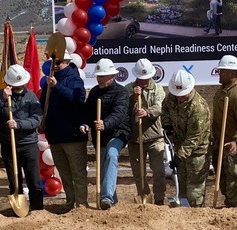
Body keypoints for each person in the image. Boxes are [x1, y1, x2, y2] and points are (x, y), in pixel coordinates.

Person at [0, 64, 44, 212]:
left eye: (21, 84)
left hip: (28, 143)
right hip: (9, 144)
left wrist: (19, 124)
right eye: (16, 84)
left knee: (34, 179)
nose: (19, 86)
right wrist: (2, 100)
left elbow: (37, 118)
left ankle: (37, 209)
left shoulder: (31, 96)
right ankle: (18, 209)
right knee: (14, 181)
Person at [40, 52, 89, 210]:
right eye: (53, 63)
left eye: (58, 62)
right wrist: (42, 122)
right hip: (55, 136)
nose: (55, 65)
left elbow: (77, 100)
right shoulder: (49, 82)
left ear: (66, 62)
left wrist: (57, 87)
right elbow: (43, 105)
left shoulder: (74, 79)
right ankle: (70, 202)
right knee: (65, 173)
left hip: (72, 134)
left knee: (78, 173)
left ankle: (81, 204)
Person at [84, 58, 130, 209]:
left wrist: (106, 123)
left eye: (103, 77)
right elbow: (88, 113)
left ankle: (106, 197)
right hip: (100, 135)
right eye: (98, 76)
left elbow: (120, 113)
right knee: (103, 166)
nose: (99, 80)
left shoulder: (121, 92)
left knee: (111, 154)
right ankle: (111, 200)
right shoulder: (94, 93)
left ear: (112, 76)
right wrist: (85, 123)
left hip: (118, 132)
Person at [161, 69, 211, 207]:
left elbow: (194, 137)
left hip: (197, 153)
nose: (179, 98)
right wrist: (167, 125)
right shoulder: (171, 97)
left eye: (183, 95)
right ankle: (183, 213)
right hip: (179, 146)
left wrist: (179, 156)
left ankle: (198, 215)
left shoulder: (198, 108)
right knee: (182, 186)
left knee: (194, 190)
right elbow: (165, 110)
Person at [211, 54, 237, 207]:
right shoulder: (222, 91)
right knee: (222, 180)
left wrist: (236, 140)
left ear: (232, 74)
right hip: (219, 143)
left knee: (234, 182)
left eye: (222, 71)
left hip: (232, 145)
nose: (219, 74)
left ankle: (236, 209)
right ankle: (229, 206)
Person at [127, 58, 167, 205]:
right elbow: (124, 108)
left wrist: (147, 112)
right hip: (135, 140)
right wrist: (133, 97)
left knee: (159, 172)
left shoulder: (158, 89)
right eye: (141, 79)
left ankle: (159, 199)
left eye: (146, 78)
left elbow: (159, 107)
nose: (144, 82)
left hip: (155, 138)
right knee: (139, 175)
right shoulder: (129, 88)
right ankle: (144, 197)